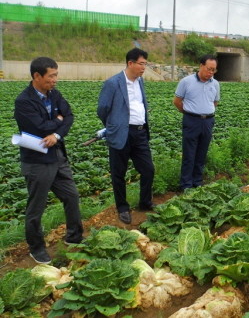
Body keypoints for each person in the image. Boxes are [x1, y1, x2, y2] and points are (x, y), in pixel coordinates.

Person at [14, 57, 83, 264]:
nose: (55, 80)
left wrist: (57, 134)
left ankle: (74, 237)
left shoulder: (55, 94)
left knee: (71, 196)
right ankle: (37, 248)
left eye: (56, 75)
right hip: (37, 161)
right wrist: (56, 122)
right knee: (36, 207)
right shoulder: (24, 101)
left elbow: (69, 116)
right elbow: (40, 128)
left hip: (58, 156)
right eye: (51, 76)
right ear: (37, 76)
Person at [97, 48, 155, 224]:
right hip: (121, 133)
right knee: (118, 173)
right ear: (130, 63)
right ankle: (122, 207)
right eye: (141, 64)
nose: (144, 67)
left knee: (148, 170)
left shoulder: (140, 81)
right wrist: (114, 126)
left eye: (145, 64)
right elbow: (102, 109)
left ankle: (145, 203)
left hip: (140, 132)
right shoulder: (113, 83)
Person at [173, 55, 220, 190]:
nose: (211, 72)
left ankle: (197, 183)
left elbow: (215, 102)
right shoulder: (186, 82)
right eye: (209, 69)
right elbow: (177, 101)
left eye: (214, 70)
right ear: (201, 66)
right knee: (189, 154)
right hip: (191, 120)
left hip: (208, 121)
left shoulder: (215, 83)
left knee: (201, 154)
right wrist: (190, 113)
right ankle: (186, 186)